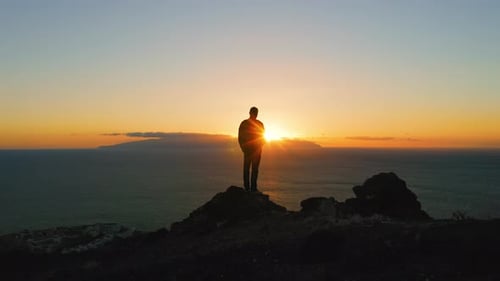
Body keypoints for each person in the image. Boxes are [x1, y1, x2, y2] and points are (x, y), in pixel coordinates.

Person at [238, 106, 265, 192]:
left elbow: (263, 136)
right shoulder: (244, 123)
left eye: (256, 113)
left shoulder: (259, 124)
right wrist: (244, 148)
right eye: (254, 113)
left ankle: (253, 187)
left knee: (254, 169)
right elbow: (240, 137)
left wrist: (260, 146)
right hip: (249, 150)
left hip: (255, 150)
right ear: (250, 113)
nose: (255, 114)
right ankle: (247, 187)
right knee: (248, 169)